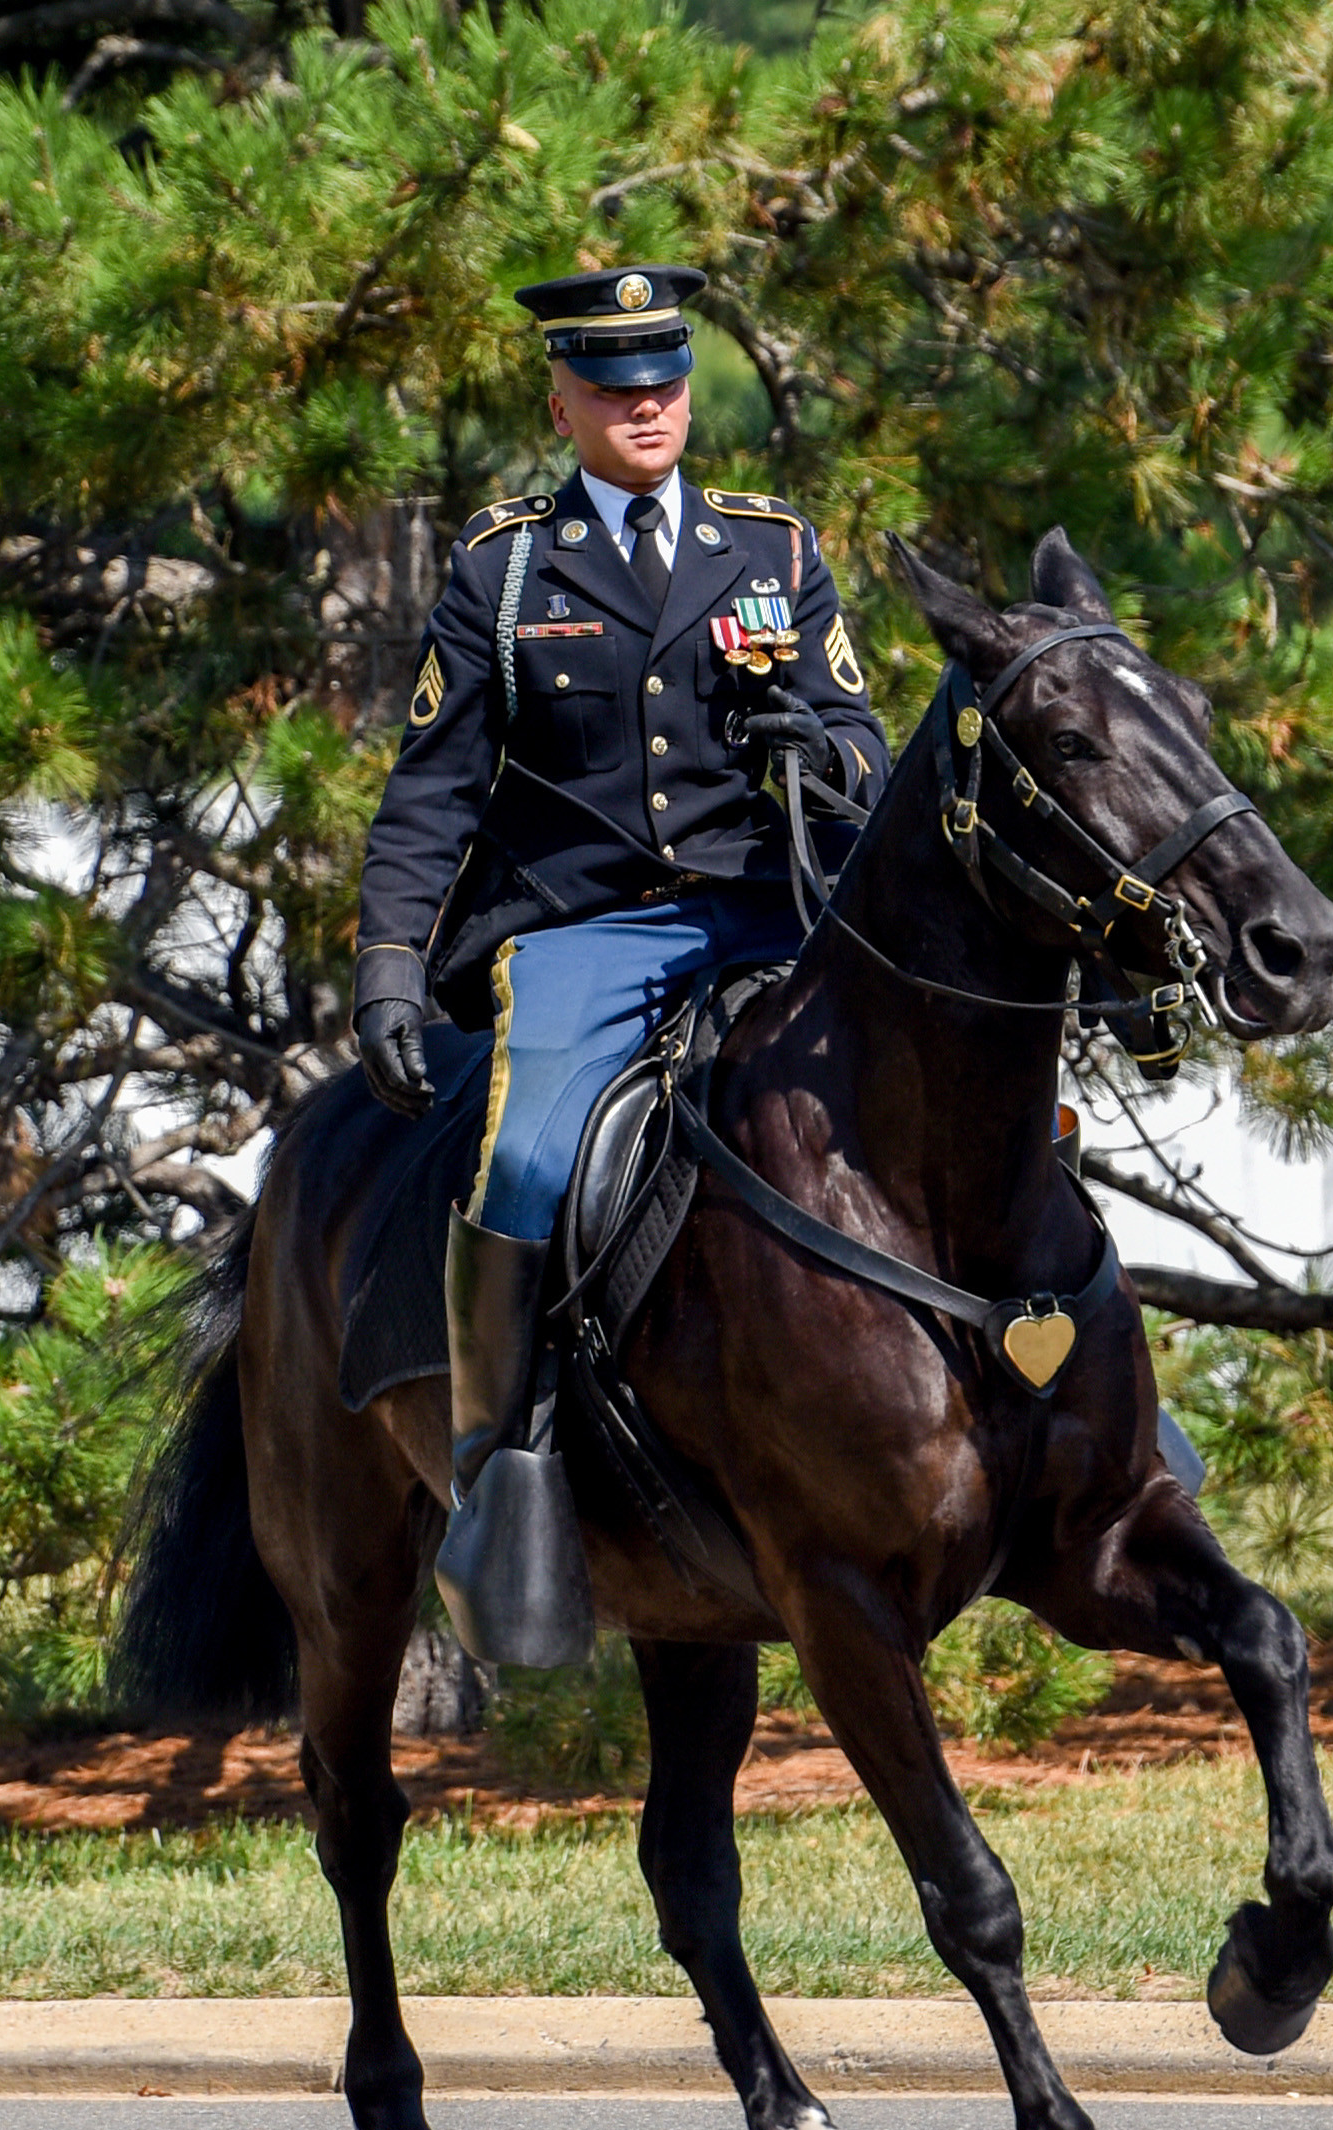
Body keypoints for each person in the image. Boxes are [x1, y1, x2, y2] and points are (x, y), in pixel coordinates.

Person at [348, 264, 887, 1642]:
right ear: (563, 406)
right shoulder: (504, 567)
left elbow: (863, 749)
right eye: (612, 389)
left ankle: (1083, 1404)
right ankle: (502, 1478)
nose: (645, 409)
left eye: (665, 385)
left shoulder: (772, 550)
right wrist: (391, 961)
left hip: (768, 912)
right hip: (585, 930)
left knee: (961, 1088)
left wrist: (818, 754)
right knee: (527, 1164)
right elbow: (434, 788)